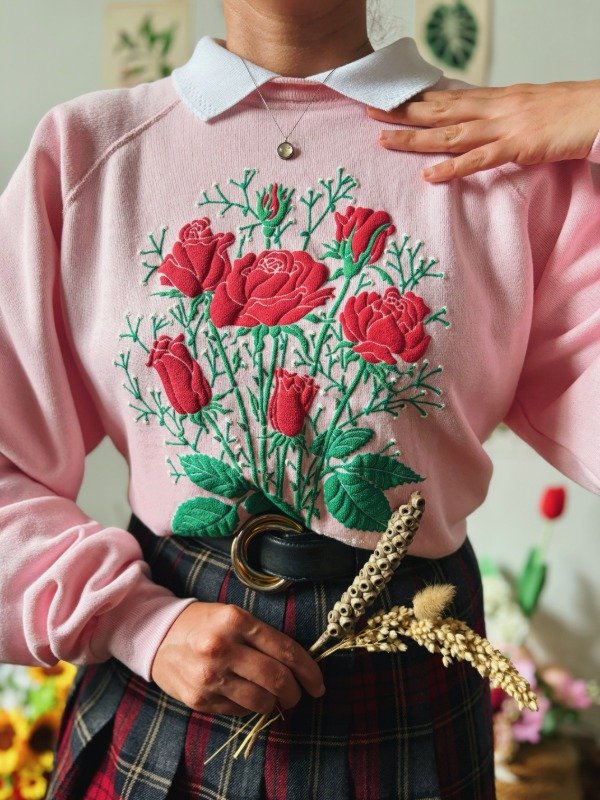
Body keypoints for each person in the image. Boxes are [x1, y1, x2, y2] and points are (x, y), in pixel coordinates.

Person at [0, 0, 598, 797]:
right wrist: (136, 622)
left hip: (407, 686)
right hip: (163, 685)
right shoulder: (86, 154)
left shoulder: (509, 163)